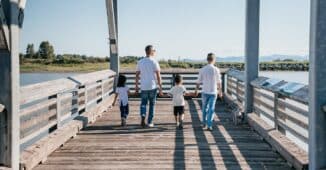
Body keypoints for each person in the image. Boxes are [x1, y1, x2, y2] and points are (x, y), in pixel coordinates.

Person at [135, 45, 163, 128]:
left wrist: (136, 86)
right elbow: (158, 76)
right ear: (151, 51)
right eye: (154, 50)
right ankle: (150, 122)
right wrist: (160, 88)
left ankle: (143, 116)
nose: (155, 52)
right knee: (152, 105)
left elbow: (136, 75)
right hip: (152, 86)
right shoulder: (154, 62)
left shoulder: (140, 62)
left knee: (143, 104)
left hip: (143, 86)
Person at [195, 53, 223, 131]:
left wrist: (196, 90)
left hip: (204, 92)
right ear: (214, 60)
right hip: (213, 92)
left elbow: (198, 81)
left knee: (204, 108)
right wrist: (220, 91)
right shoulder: (216, 69)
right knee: (211, 109)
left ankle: (204, 123)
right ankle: (209, 125)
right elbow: (219, 82)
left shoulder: (203, 69)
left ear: (207, 59)